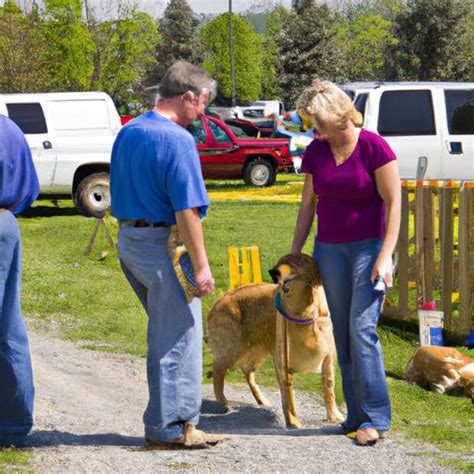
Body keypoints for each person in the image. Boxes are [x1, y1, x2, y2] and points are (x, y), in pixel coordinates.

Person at [110, 61, 221, 449]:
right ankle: (170, 428)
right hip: (163, 247)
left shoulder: (129, 131)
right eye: (204, 102)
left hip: (129, 241)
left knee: (165, 332)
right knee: (179, 337)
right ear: (189, 97)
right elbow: (187, 211)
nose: (203, 111)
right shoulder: (177, 140)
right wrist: (202, 267)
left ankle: (174, 421)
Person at [291, 80, 401, 446]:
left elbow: (394, 204)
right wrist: (296, 252)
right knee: (342, 331)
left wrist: (385, 257)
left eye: (315, 122)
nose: (313, 130)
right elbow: (308, 204)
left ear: (335, 116)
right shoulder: (317, 151)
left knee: (361, 329)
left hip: (370, 249)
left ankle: (375, 416)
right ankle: (354, 415)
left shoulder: (374, 147)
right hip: (330, 250)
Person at [0, 114, 39, 446]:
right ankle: (13, 422)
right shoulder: (9, 129)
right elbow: (30, 188)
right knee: (9, 325)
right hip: (6, 223)